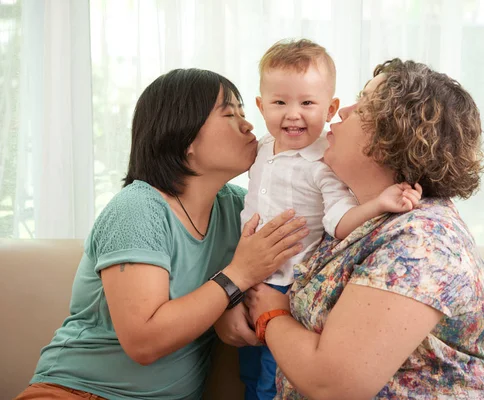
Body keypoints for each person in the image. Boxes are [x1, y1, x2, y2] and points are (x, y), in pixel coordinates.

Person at [15, 69, 308, 399]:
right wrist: (238, 274)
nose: (248, 124)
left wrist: (226, 311)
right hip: (78, 392)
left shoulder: (241, 208)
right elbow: (144, 342)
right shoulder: (138, 209)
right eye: (229, 113)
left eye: (243, 111)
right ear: (184, 139)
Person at [244, 59, 484, 399]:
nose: (341, 112)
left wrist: (269, 314)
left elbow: (334, 385)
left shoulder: (423, 242)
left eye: (362, 106)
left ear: (393, 137)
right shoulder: (354, 218)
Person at [230, 39, 422, 400]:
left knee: (272, 380)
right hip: (249, 279)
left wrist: (379, 203)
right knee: (249, 372)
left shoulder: (324, 163)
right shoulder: (260, 149)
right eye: (279, 102)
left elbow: (339, 222)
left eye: (307, 102)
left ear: (330, 107)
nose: (292, 113)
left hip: (288, 288)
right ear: (260, 105)